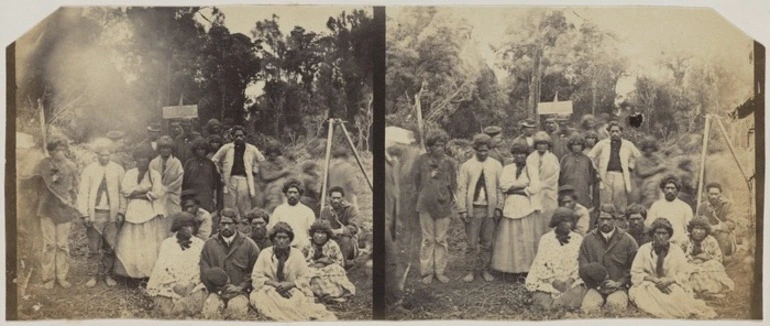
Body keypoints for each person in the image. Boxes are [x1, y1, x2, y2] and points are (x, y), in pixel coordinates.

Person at [629, 218, 717, 319]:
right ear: (652, 234)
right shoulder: (644, 249)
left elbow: (684, 272)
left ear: (669, 235)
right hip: (649, 285)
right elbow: (635, 272)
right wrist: (655, 280)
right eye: (658, 233)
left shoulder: (676, 250)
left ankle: (671, 310)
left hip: (672, 284)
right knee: (646, 294)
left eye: (664, 233)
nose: (661, 237)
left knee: (676, 296)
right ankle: (663, 311)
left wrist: (669, 280)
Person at [250, 222, 337, 321]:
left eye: (285, 238)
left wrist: (289, 285)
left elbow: (305, 277)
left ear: (290, 239)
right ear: (273, 239)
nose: (281, 241)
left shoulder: (297, 254)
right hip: (270, 289)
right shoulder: (265, 253)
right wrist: (275, 284)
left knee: (296, 300)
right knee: (268, 299)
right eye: (278, 237)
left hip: (293, 288)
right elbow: (256, 276)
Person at [30, 138, 79, 289]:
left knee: (62, 244)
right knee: (50, 244)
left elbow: (76, 187)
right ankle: (48, 278)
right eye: (53, 151)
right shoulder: (43, 165)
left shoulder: (71, 166)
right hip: (46, 208)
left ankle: (61, 276)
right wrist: (43, 196)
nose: (56, 153)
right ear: (50, 152)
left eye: (59, 150)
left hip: (64, 208)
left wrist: (70, 201)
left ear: (65, 149)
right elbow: (35, 184)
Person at [77, 138, 126, 287]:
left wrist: (121, 212)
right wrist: (85, 214)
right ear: (97, 154)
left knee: (109, 246)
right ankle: (93, 275)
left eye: (107, 155)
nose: (104, 157)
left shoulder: (118, 169)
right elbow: (83, 192)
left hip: (111, 214)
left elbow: (122, 192)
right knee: (93, 247)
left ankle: (107, 275)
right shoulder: (89, 170)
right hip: (95, 213)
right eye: (102, 155)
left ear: (111, 154)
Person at [114, 146, 168, 280]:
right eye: (139, 158)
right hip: (132, 211)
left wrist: (136, 193)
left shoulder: (155, 174)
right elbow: (125, 190)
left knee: (147, 242)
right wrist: (143, 190)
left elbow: (156, 193)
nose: (142, 161)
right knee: (132, 241)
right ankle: (131, 273)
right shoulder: (130, 173)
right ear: (135, 160)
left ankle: (147, 274)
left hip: (149, 211)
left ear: (149, 160)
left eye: (145, 158)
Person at [456, 133, 504, 283]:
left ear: (489, 149)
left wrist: (499, 207)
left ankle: (484, 269)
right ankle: (470, 270)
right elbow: (461, 188)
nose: (483, 153)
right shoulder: (467, 166)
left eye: (485, 150)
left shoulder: (496, 165)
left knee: (487, 242)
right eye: (480, 150)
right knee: (471, 243)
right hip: (473, 209)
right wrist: (463, 209)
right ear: (475, 149)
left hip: (490, 209)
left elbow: (500, 188)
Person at [491, 140, 541, 279]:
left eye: (523, 154)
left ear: (527, 155)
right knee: (509, 238)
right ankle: (509, 269)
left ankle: (525, 269)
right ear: (513, 155)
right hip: (510, 205)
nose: (520, 157)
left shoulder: (532, 169)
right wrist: (522, 185)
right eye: (517, 154)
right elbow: (503, 186)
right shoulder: (508, 168)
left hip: (526, 206)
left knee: (524, 238)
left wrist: (518, 189)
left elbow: (535, 188)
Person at [413, 129, 457, 284]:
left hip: (443, 205)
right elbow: (417, 181)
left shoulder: (450, 162)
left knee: (441, 239)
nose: (440, 148)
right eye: (436, 145)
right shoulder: (421, 160)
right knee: (427, 239)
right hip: (425, 205)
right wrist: (425, 193)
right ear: (429, 146)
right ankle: (427, 271)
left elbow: (454, 184)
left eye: (442, 145)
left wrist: (449, 198)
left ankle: (439, 270)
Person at [578, 203, 639, 313]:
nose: (605, 222)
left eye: (608, 219)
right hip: (595, 288)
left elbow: (635, 267)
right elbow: (582, 266)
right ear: (598, 219)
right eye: (602, 219)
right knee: (589, 308)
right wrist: (594, 283)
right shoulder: (588, 240)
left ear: (615, 220)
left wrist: (619, 282)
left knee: (615, 307)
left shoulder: (627, 240)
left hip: (619, 288)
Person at [199, 213, 260, 319]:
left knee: (236, 311)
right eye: (223, 223)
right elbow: (204, 271)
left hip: (240, 292)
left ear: (236, 225)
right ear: (218, 225)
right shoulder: (209, 244)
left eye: (229, 223)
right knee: (210, 312)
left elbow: (256, 271)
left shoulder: (249, 244)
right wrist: (218, 289)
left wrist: (240, 287)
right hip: (216, 292)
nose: (226, 227)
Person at [147, 212, 207, 316]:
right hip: (170, 285)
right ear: (178, 227)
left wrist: (192, 284)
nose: (189, 229)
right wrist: (173, 285)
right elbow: (161, 267)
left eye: (191, 226)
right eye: (185, 226)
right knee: (166, 310)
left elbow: (200, 267)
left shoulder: (199, 244)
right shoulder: (167, 244)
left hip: (191, 285)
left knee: (190, 304)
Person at [525, 207, 587, 310]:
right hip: (549, 280)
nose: (568, 224)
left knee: (576, 293)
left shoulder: (578, 239)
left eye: (570, 221)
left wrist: (570, 280)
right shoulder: (546, 239)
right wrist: (553, 281)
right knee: (543, 300)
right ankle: (554, 304)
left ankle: (560, 304)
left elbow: (579, 263)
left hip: (570, 281)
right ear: (557, 222)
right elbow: (540, 262)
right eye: (564, 221)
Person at [210, 125, 266, 218]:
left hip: (244, 179)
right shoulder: (227, 148)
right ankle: (232, 223)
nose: (239, 138)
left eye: (241, 135)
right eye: (236, 136)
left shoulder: (251, 148)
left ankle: (245, 224)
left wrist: (254, 170)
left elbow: (261, 160)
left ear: (245, 136)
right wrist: (220, 172)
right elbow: (214, 160)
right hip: (230, 179)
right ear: (232, 136)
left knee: (244, 203)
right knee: (230, 204)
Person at [586, 121, 641, 210]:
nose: (615, 133)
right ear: (609, 132)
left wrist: (630, 166)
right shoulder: (603, 143)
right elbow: (590, 155)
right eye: (612, 131)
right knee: (606, 203)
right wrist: (596, 170)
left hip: (621, 175)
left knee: (620, 203)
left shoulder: (627, 144)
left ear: (621, 132)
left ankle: (620, 222)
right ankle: (606, 221)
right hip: (606, 175)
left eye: (617, 131)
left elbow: (638, 156)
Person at [303, 220, 356, 303]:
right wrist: (314, 264)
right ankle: (320, 295)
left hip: (328, 271)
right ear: (312, 233)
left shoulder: (332, 245)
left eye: (323, 233)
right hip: (311, 269)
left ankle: (330, 295)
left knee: (337, 270)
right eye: (317, 232)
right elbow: (300, 262)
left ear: (327, 235)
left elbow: (340, 263)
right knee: (310, 274)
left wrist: (328, 262)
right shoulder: (306, 244)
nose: (320, 236)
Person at [681, 217, 734, 298]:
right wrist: (692, 259)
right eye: (696, 228)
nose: (698, 232)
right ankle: (695, 291)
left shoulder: (710, 240)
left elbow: (719, 257)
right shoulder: (685, 239)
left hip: (706, 265)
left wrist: (703, 257)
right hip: (689, 264)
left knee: (715, 265)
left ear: (706, 231)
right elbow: (678, 256)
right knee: (688, 271)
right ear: (691, 229)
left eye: (701, 229)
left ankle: (710, 291)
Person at [318, 186, 361, 269]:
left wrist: (338, 231)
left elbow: (354, 227)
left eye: (338, 198)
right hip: (331, 242)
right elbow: (322, 226)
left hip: (348, 244)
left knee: (345, 238)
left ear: (343, 198)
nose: (336, 200)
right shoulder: (325, 211)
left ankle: (341, 265)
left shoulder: (350, 209)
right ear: (329, 198)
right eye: (333, 198)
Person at [527, 131, 560, 238]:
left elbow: (554, 177)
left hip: (549, 192)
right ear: (535, 145)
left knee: (548, 218)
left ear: (548, 145)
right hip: (534, 192)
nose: (541, 146)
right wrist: (534, 186)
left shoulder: (552, 158)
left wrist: (541, 185)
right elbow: (528, 174)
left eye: (544, 144)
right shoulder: (530, 158)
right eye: (539, 143)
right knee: (535, 218)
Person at [647, 175, 694, 246]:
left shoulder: (685, 207)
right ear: (663, 190)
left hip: (679, 244)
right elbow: (651, 226)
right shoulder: (656, 206)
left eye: (673, 188)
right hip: (660, 243)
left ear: (677, 190)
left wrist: (682, 241)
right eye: (667, 188)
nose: (670, 191)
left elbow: (688, 230)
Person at [269, 179, 316, 249]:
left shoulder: (308, 211)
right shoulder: (278, 210)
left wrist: (305, 244)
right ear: (285, 194)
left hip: (302, 247)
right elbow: (274, 230)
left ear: (300, 194)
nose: (292, 195)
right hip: (283, 247)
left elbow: (311, 233)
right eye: (290, 192)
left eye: (295, 192)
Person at [697, 182, 737, 258]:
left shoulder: (728, 205)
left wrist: (715, 228)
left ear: (720, 194)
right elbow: (699, 223)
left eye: (716, 194)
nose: (714, 196)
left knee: (722, 235)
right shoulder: (702, 207)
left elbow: (732, 223)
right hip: (708, 236)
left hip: (726, 239)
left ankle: (720, 259)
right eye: (711, 194)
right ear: (707, 194)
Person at [181, 137, 220, 214]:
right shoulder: (189, 163)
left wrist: (214, 197)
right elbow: (184, 180)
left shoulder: (210, 163)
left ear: (206, 150)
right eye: (198, 149)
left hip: (206, 194)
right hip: (192, 194)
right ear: (195, 151)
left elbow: (215, 182)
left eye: (203, 149)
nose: (200, 151)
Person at [151, 136, 185, 223]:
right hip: (158, 195)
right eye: (163, 148)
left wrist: (167, 189)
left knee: (173, 218)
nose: (166, 150)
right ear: (159, 149)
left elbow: (179, 180)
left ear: (171, 149)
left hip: (172, 196)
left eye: (168, 148)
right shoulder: (154, 162)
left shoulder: (176, 163)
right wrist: (159, 189)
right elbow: (151, 178)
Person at [559, 134, 597, 209]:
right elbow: (560, 175)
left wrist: (591, 194)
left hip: (583, 190)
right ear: (570, 146)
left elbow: (591, 178)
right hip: (568, 190)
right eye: (574, 145)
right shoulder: (565, 159)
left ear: (582, 146)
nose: (576, 147)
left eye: (578, 145)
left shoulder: (587, 159)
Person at [258, 140, 292, 213]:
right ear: (268, 153)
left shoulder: (281, 160)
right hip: (269, 188)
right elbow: (265, 177)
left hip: (282, 187)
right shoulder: (263, 164)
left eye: (275, 152)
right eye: (271, 152)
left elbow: (289, 171)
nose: (273, 154)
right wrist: (282, 172)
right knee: (273, 205)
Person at [327, 146, 361, 211]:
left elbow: (326, 184)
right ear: (345, 156)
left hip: (333, 198)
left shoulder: (330, 168)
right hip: (345, 198)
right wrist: (356, 192)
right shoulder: (347, 167)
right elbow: (353, 183)